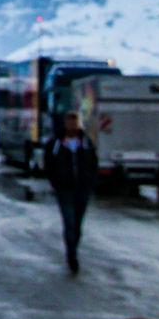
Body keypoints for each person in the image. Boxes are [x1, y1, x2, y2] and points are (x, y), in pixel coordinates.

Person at [44, 110, 97, 273]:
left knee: (77, 224)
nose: (73, 126)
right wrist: (55, 181)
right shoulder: (57, 143)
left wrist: (90, 181)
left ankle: (73, 248)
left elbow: (93, 162)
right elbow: (48, 162)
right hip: (64, 189)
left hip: (82, 188)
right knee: (69, 222)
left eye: (75, 123)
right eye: (70, 122)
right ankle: (72, 255)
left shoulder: (86, 142)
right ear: (65, 123)